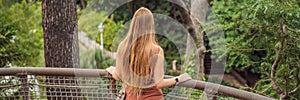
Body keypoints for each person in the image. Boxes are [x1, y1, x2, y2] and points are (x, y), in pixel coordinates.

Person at [106, 7, 192, 100]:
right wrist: (178, 79)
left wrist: (112, 70)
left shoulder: (123, 47)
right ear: (150, 25)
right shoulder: (157, 51)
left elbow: (118, 76)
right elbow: (159, 83)